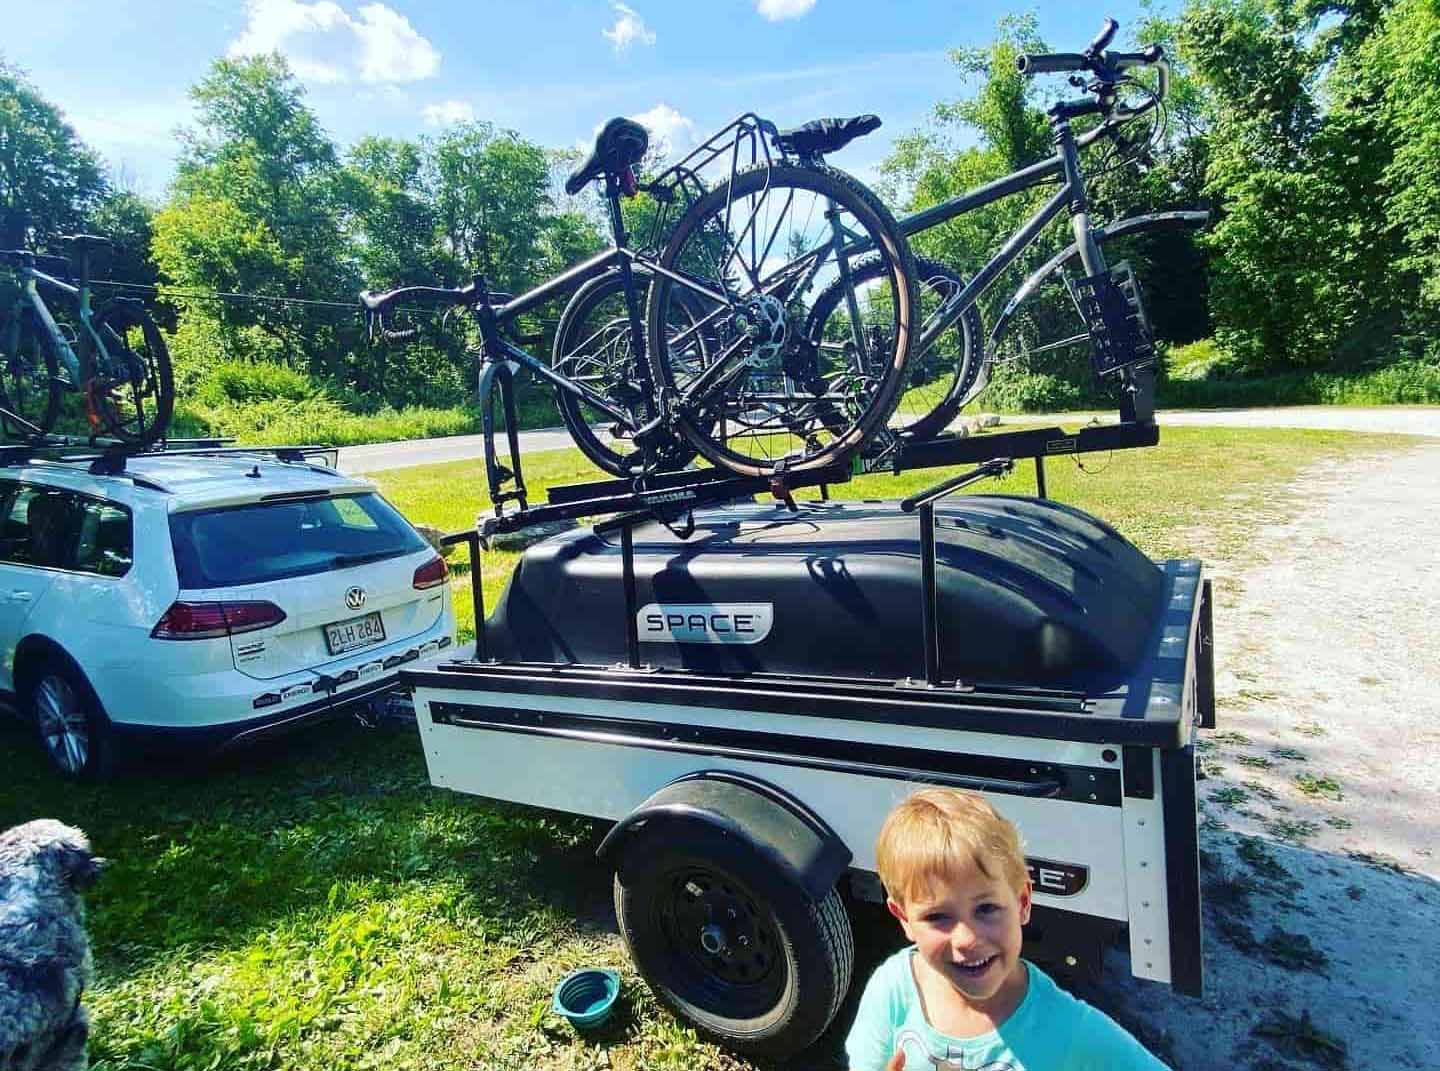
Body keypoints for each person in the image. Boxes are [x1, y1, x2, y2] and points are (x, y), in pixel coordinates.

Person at [846, 787, 1169, 1071]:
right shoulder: (895, 988)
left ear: (1023, 902)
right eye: (937, 917)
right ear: (903, 918)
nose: (967, 938)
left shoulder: (1067, 1029)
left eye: (986, 909)